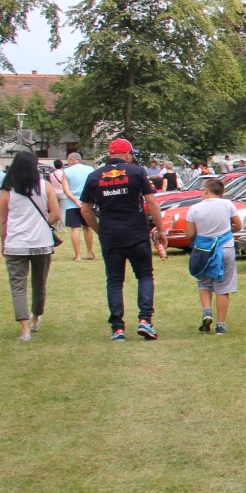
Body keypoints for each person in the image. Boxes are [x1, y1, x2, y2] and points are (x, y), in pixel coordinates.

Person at [78, 137, 165, 341]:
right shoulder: (137, 172)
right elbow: (151, 202)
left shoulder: (94, 176)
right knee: (144, 276)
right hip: (136, 232)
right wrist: (160, 230)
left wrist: (100, 230)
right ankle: (145, 320)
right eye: (131, 154)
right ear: (127, 154)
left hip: (110, 234)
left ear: (110, 154)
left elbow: (85, 210)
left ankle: (118, 328)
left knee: (115, 281)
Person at [0, 149, 61, 340]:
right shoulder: (45, 186)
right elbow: (56, 214)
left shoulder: (7, 189)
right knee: (39, 283)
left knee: (18, 286)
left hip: (15, 242)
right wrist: (44, 225)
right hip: (41, 242)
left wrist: (3, 243)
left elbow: (3, 220)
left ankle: (25, 330)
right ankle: (36, 317)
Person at [183, 176, 241, 335]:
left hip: (203, 250)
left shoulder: (194, 208)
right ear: (221, 192)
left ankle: (207, 311)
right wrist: (229, 231)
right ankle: (221, 325)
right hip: (225, 247)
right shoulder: (228, 204)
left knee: (204, 282)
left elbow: (189, 234)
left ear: (207, 190)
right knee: (223, 286)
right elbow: (239, 225)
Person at [58, 152, 95, 260]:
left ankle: (78, 255)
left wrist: (75, 200)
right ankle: (89, 252)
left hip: (72, 203)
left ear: (73, 160)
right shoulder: (90, 169)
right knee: (87, 227)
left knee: (75, 228)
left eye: (68, 160)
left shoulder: (66, 171)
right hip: (87, 202)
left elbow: (66, 190)